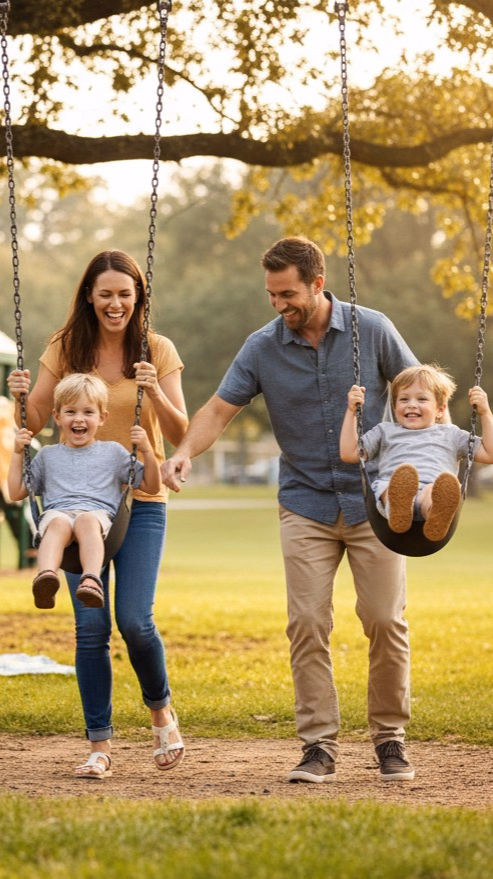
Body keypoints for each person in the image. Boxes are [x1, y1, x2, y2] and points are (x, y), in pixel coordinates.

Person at [160, 235, 420, 784]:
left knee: (384, 621)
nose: (279, 305)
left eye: (287, 293)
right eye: (271, 295)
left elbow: (420, 392)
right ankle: (319, 746)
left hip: (376, 500)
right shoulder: (262, 347)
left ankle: (390, 739)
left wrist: (436, 454)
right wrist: (182, 452)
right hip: (305, 502)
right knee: (305, 622)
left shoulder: (373, 329)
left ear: (317, 283)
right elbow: (218, 409)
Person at [5, 249, 188, 780]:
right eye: (105, 294)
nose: (115, 304)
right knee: (91, 628)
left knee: (133, 621)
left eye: (125, 295)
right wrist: (20, 397)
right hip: (70, 497)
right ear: (89, 295)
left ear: (138, 298)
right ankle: (100, 745)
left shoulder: (157, 349)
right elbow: (38, 417)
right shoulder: (65, 348)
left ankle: (161, 713)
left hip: (138, 500)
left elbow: (180, 434)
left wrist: (152, 390)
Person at [6, 373, 160, 610]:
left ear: (102, 418)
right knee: (57, 522)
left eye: (88, 412)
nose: (79, 419)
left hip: (98, 517)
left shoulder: (114, 453)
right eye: (70, 412)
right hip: (59, 515)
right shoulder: (48, 456)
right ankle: (46, 578)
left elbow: (151, 486)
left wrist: (148, 452)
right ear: (57, 417)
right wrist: (17, 453)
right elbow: (16, 492)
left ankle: (90, 579)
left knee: (86, 520)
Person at [340, 364, 493, 540]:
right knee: (389, 486)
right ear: (394, 407)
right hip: (392, 492)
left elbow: (492, 454)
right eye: (404, 399)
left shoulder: (452, 434)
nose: (411, 405)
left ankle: (436, 515)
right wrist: (351, 411)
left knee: (434, 491)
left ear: (440, 409)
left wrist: (485, 412)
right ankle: (400, 509)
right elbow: (350, 454)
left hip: (432, 491)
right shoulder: (385, 430)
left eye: (422, 399)